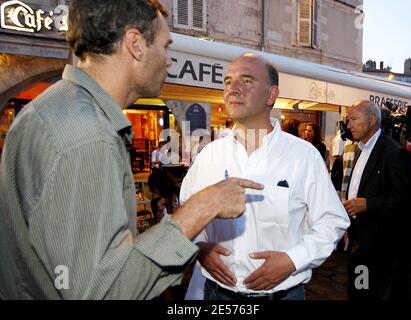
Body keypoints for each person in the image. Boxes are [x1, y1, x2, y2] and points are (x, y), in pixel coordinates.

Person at [0, 0, 264, 300]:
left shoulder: (50, 110)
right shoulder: (89, 138)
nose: (168, 61)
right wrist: (202, 208)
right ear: (135, 44)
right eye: (165, 46)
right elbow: (105, 291)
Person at [181, 53, 350, 300]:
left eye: (246, 80)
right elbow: (186, 209)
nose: (233, 89)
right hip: (218, 295)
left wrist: (293, 260)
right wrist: (199, 248)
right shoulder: (209, 155)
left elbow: (332, 221)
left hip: (282, 295)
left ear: (271, 94)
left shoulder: (304, 156)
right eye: (228, 82)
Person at [343, 100, 411, 300]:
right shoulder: (359, 148)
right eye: (348, 120)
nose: (348, 125)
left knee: (367, 293)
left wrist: (369, 204)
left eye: (353, 119)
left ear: (372, 120)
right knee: (358, 291)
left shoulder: (395, 153)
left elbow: (408, 200)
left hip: (381, 250)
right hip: (359, 242)